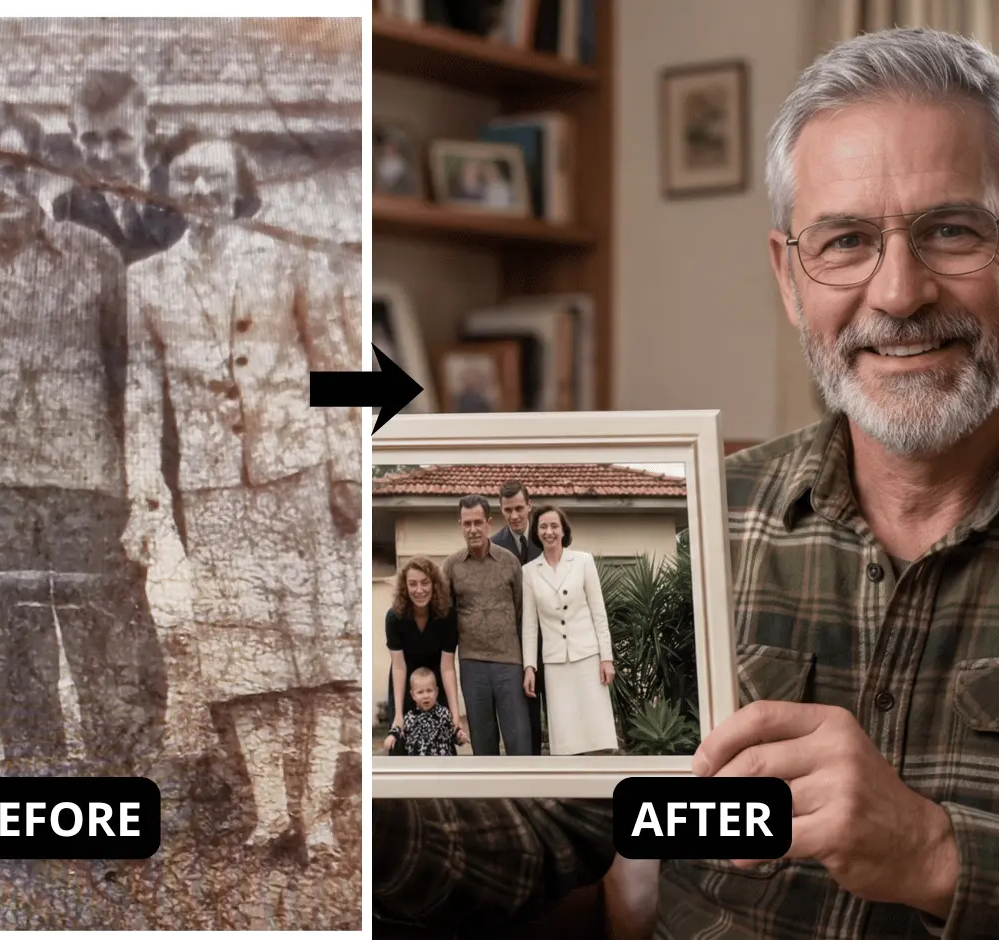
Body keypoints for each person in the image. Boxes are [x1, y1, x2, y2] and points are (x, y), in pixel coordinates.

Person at [374, 27, 999, 939]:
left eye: (952, 230)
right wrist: (344, 803)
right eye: (847, 241)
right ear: (791, 278)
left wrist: (939, 857)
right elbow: (550, 826)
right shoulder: (713, 517)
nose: (898, 293)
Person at [124, 138, 360, 855]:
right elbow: (140, 397)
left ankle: (316, 813)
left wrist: (350, 462)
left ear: (239, 185)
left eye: (215, 176)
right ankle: (271, 812)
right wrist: (145, 493)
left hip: (298, 474)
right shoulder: (146, 280)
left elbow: (338, 360)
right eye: (186, 176)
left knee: (315, 652)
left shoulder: (287, 255)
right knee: (244, 656)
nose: (201, 188)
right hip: (214, 487)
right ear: (167, 186)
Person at [0, 103, 166, 778]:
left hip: (86, 486)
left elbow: (130, 375)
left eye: (11, 169)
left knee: (101, 653)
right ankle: (36, 800)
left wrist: (139, 486)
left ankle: (115, 803)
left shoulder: (93, 257)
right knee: (14, 655)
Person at [53, 69, 186, 265]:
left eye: (119, 137)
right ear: (73, 135)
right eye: (90, 139)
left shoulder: (184, 201)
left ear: (150, 128)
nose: (105, 154)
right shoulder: (66, 214)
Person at [521, 505, 617, 756]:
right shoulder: (529, 572)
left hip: (587, 658)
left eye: (554, 526)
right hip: (555, 664)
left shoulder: (583, 561)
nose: (549, 531)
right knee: (566, 737)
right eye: (543, 526)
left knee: (596, 733)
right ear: (536, 532)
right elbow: (530, 625)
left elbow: (599, 613)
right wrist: (529, 666)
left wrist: (606, 658)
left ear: (563, 530)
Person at [441, 494, 530, 756]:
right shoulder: (452, 566)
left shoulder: (510, 562)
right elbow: (445, 614)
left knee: (519, 740)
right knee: (483, 742)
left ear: (489, 523)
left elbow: (520, 610)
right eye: (467, 524)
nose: (473, 530)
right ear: (460, 524)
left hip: (509, 663)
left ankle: (523, 797)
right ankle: (491, 798)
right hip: (472, 664)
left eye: (478, 522)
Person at [384, 556, 461, 753]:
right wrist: (399, 714)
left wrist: (455, 714)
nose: (419, 590)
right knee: (401, 743)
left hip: (434, 684)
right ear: (405, 587)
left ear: (434, 584)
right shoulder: (394, 618)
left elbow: (447, 667)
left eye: (425, 583)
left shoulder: (447, 615)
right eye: (413, 584)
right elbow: (399, 667)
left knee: (441, 742)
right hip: (406, 684)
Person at [491, 481, 545, 755]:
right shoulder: (493, 546)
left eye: (519, 508)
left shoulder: (546, 537)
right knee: (527, 720)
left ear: (529, 506)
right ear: (501, 510)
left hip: (551, 643)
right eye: (507, 510)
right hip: (515, 650)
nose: (514, 516)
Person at [384, 668, 467, 757]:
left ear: (436, 692)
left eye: (429, 691)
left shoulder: (444, 713)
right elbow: (399, 731)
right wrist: (392, 736)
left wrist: (460, 737)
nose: (426, 696)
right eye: (420, 692)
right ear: (413, 695)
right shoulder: (409, 717)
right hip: (417, 765)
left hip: (442, 763)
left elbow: (453, 733)